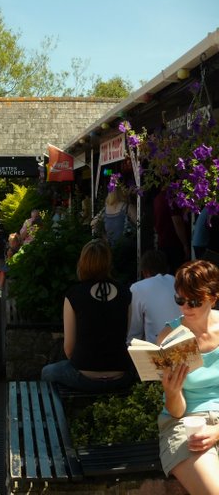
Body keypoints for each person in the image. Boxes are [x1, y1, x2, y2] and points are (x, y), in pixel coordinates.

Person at [154, 259, 219, 493]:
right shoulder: (169, 337)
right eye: (179, 300)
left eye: (194, 301)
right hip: (186, 424)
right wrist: (171, 392)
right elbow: (177, 411)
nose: (185, 308)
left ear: (213, 297)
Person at [41, 239, 136, 392]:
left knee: (47, 372)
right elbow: (123, 334)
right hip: (120, 374)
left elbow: (69, 348)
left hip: (85, 374)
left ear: (83, 263)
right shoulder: (125, 293)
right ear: (108, 263)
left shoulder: (74, 294)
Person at [127, 249, 182, 345]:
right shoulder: (178, 282)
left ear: (145, 272)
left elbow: (134, 333)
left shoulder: (138, 288)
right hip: (187, 342)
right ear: (167, 268)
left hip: (158, 351)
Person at [154, 190, 191, 272]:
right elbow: (177, 222)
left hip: (163, 242)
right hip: (174, 244)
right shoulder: (171, 197)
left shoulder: (158, 197)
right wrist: (185, 244)